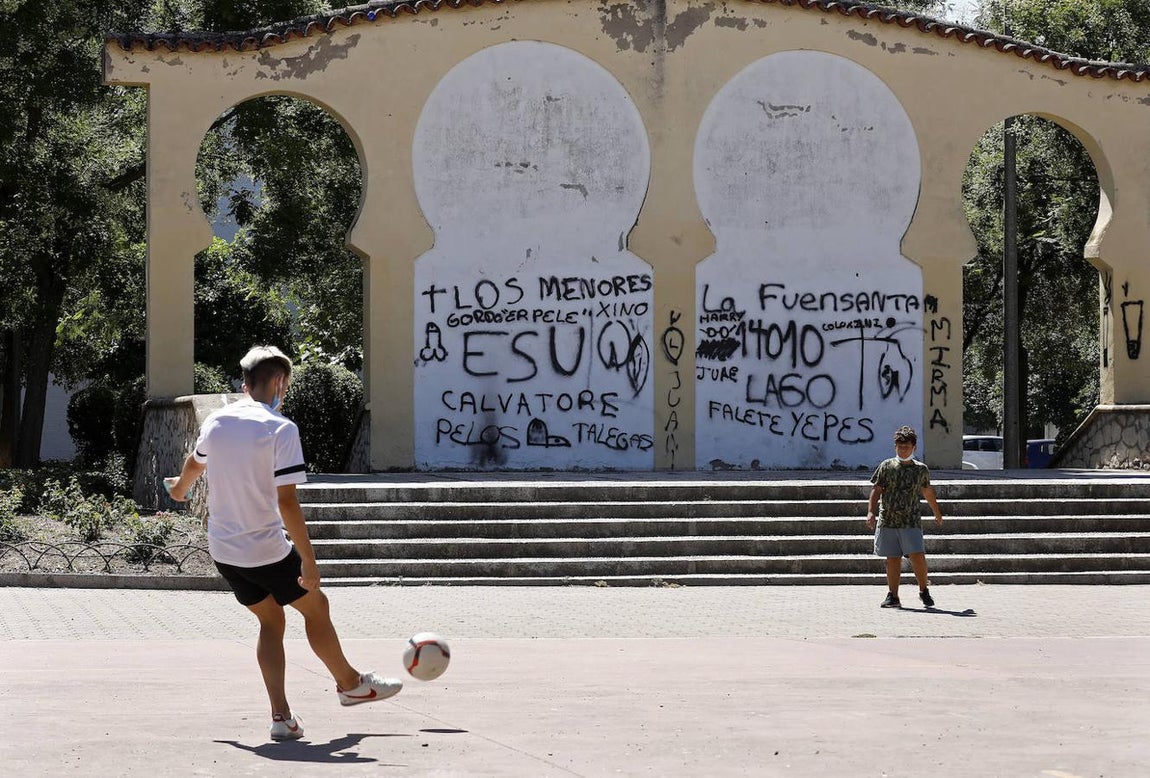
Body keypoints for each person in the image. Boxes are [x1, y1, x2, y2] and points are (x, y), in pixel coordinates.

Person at [166, 345, 401, 742]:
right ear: (278, 383)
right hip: (265, 550)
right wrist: (308, 562)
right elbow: (287, 500)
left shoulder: (219, 421)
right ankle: (349, 684)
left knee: (271, 619)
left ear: (245, 383)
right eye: (286, 386)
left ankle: (282, 718)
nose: (285, 392)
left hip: (224, 551)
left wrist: (180, 489)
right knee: (316, 605)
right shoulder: (280, 428)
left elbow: (195, 462)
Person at [865, 425, 944, 609]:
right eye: (900, 447)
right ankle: (893, 594)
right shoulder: (886, 466)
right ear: (895, 447)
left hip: (911, 520)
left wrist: (936, 512)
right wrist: (871, 511)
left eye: (906, 447)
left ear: (914, 448)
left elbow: (927, 492)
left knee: (917, 556)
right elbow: (876, 490)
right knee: (892, 558)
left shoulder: (921, 469)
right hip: (888, 520)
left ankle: (924, 590)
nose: (903, 450)